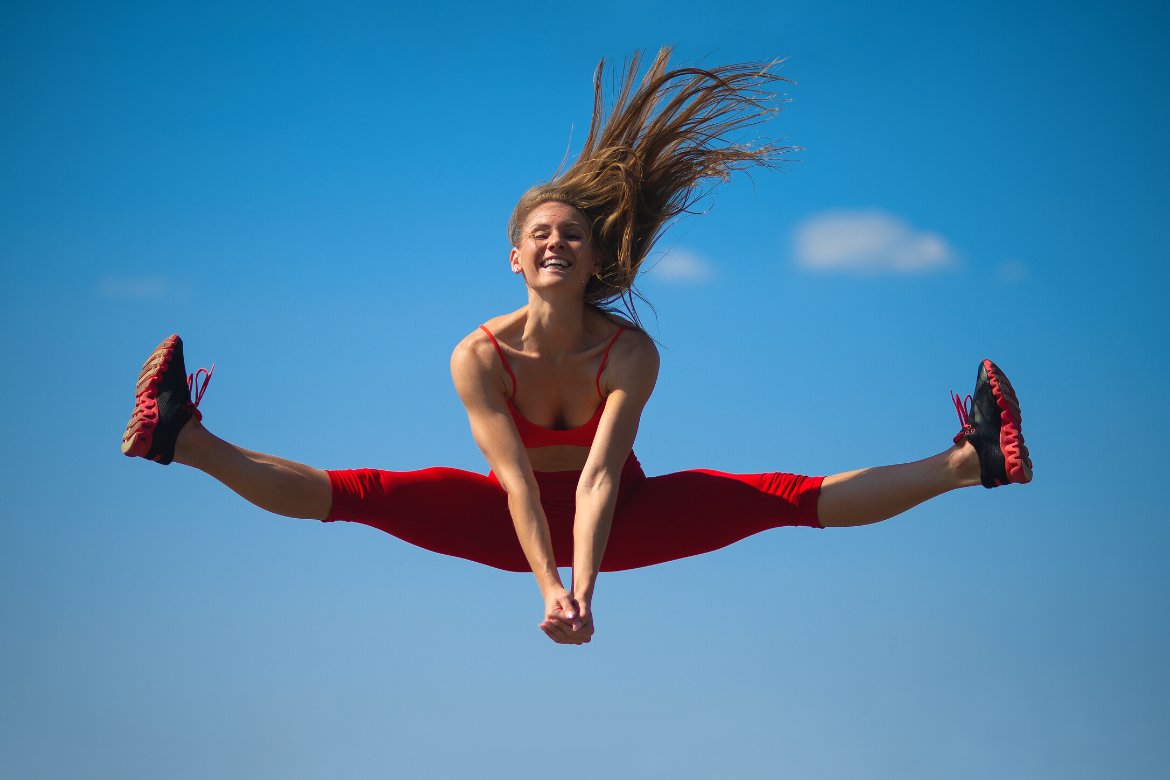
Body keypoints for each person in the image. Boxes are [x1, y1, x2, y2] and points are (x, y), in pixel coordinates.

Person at [121, 49, 1031, 645]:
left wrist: (583, 589)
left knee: (783, 501)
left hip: (620, 518)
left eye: (573, 234)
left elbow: (597, 478)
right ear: (514, 257)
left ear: (597, 256)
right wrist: (544, 587)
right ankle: (182, 438)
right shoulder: (476, 356)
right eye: (539, 234)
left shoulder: (629, 355)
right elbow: (517, 480)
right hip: (504, 520)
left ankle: (972, 462)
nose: (556, 242)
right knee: (357, 496)